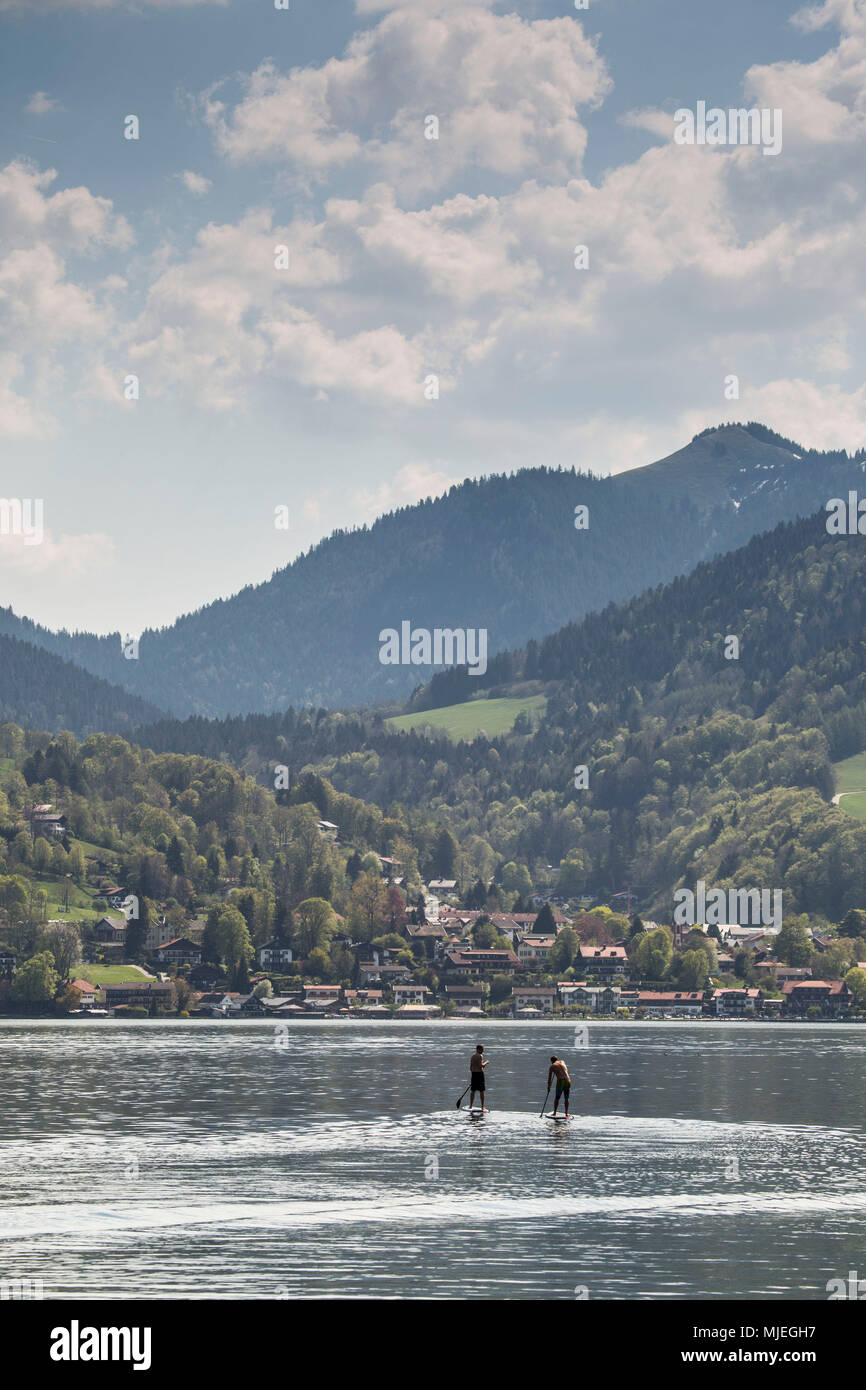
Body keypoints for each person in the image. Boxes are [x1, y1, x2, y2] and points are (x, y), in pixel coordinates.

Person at [469, 1043, 489, 1111]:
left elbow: (470, 1068)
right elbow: (481, 1066)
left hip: (473, 1074)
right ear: (478, 1049)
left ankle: (470, 1106)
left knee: (473, 1091)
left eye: (483, 1049)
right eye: (481, 1049)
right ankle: (482, 1107)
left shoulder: (472, 1056)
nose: (482, 1051)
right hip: (479, 1075)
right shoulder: (480, 1056)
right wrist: (486, 1062)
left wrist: (473, 1075)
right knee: (482, 1091)